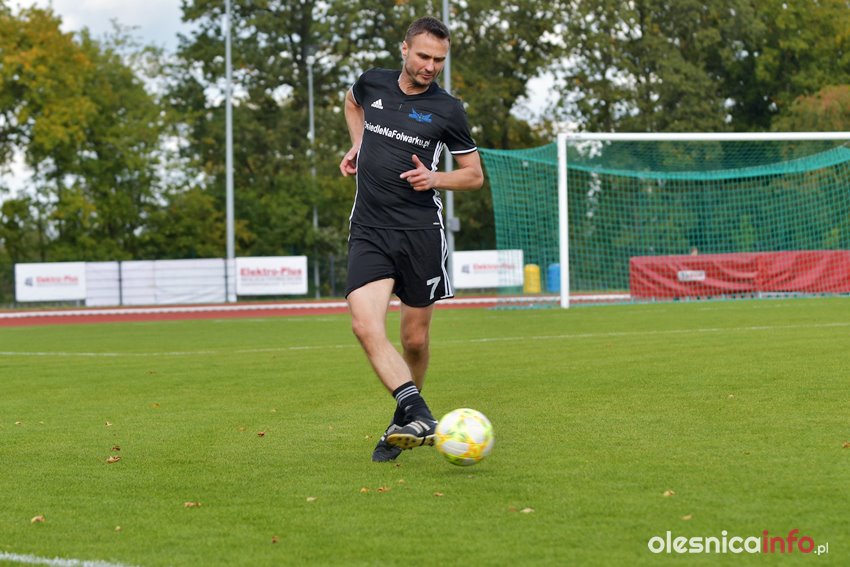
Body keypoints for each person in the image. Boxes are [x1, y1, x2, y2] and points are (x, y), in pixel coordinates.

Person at [339, 16, 484, 462]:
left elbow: (474, 176)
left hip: (421, 234)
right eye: (423, 56)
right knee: (364, 324)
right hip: (370, 230)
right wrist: (358, 145)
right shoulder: (372, 83)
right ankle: (419, 414)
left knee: (415, 341)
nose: (430, 66)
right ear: (404, 49)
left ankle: (402, 423)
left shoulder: (448, 109)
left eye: (439, 60)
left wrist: (435, 178)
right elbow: (351, 102)